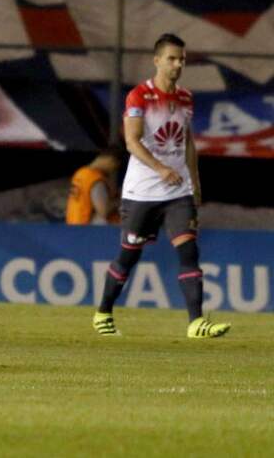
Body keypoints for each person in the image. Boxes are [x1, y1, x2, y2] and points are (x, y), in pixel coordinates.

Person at [93, 34, 230, 339]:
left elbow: (188, 142)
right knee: (128, 256)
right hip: (141, 193)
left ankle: (196, 323)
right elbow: (131, 141)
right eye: (171, 58)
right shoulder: (139, 97)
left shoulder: (185, 98)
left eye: (181, 59)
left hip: (177, 192)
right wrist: (160, 168)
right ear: (157, 60)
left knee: (189, 251)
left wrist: (194, 181)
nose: (178, 64)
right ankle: (103, 312)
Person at [65, 147, 122, 225]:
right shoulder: (95, 178)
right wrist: (120, 201)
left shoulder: (80, 172)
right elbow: (104, 211)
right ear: (111, 160)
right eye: (114, 166)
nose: (112, 170)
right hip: (87, 228)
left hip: (73, 223)